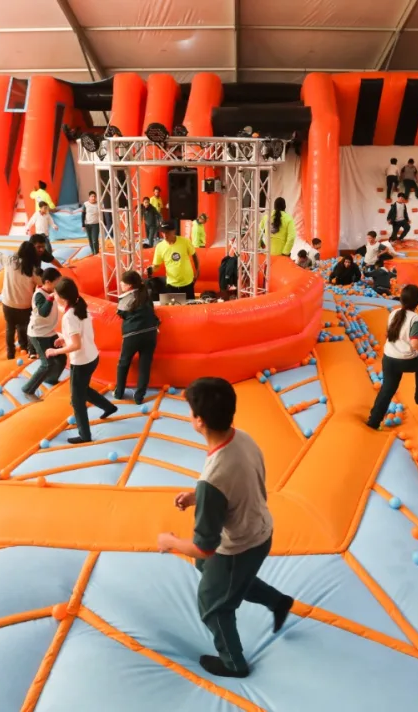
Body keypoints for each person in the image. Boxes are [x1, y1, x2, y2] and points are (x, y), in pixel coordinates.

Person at [157, 377, 294, 679]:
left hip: (241, 547)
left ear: (199, 421)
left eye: (190, 411)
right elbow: (239, 482)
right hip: (261, 529)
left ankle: (234, 664)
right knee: (210, 570)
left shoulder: (213, 477)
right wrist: (197, 497)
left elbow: (204, 546)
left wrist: (170, 541)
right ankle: (278, 601)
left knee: (213, 604)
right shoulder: (242, 438)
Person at [45, 278, 117, 443]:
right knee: (82, 389)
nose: (54, 295)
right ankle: (109, 407)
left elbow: (76, 345)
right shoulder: (80, 306)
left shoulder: (69, 316)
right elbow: (81, 335)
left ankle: (85, 435)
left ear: (63, 298)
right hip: (92, 357)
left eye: (55, 293)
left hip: (81, 362)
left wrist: (55, 351)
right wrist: (64, 338)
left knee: (77, 400)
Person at [367, 285, 418, 429]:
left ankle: (373, 421)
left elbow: (389, 333)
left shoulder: (393, 313)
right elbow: (415, 343)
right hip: (405, 360)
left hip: (388, 358)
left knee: (387, 389)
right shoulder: (415, 319)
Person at [0, 234, 40, 359]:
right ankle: (30, 350)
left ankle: (10, 353)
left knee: (10, 328)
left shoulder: (9, 261)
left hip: (8, 303)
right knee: (28, 327)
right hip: (25, 305)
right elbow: (41, 283)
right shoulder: (32, 270)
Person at [114, 270, 159, 404]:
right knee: (145, 365)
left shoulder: (125, 298)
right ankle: (139, 397)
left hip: (132, 335)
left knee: (123, 363)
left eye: (123, 282)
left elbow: (121, 314)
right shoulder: (146, 294)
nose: (120, 284)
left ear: (129, 286)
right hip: (150, 333)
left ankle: (119, 392)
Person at [22, 267, 66, 397]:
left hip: (49, 331)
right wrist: (51, 298)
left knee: (61, 358)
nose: (59, 285)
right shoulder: (39, 295)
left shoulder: (51, 291)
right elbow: (43, 312)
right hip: (38, 334)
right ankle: (28, 389)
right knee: (47, 364)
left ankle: (50, 379)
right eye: (57, 282)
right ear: (48, 282)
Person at [150, 221, 198, 299]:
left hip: (188, 283)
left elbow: (194, 255)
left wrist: (197, 272)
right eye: (163, 232)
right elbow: (156, 266)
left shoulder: (185, 241)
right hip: (172, 284)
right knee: (174, 305)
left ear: (174, 231)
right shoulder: (159, 247)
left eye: (167, 232)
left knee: (190, 305)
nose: (165, 235)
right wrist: (151, 269)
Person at [82, 191, 101, 255]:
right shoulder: (85, 204)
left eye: (94, 196)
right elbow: (83, 214)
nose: (93, 198)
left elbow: (102, 214)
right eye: (92, 196)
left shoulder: (98, 204)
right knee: (90, 240)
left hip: (95, 224)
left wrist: (104, 223)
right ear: (89, 197)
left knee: (95, 240)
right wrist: (83, 225)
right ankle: (93, 252)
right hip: (87, 224)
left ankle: (96, 252)